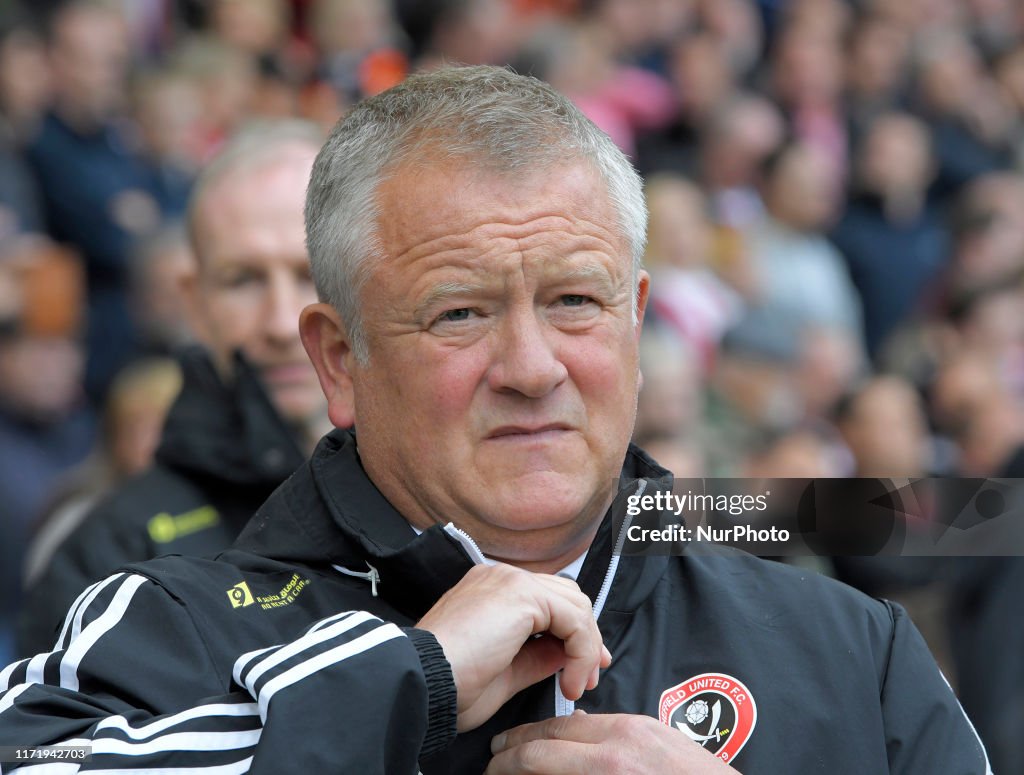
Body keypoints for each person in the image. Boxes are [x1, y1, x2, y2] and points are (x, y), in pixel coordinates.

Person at [0, 66, 989, 774]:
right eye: (460, 312)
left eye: (574, 300)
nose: (530, 367)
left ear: (638, 321)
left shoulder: (854, 653)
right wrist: (405, 683)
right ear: (340, 360)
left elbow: (951, 518)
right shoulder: (156, 624)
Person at [16, 121, 330, 657]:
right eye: (243, 280)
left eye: (311, 273)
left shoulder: (452, 498)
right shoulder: (111, 552)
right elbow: (36, 746)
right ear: (194, 301)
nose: (281, 322)